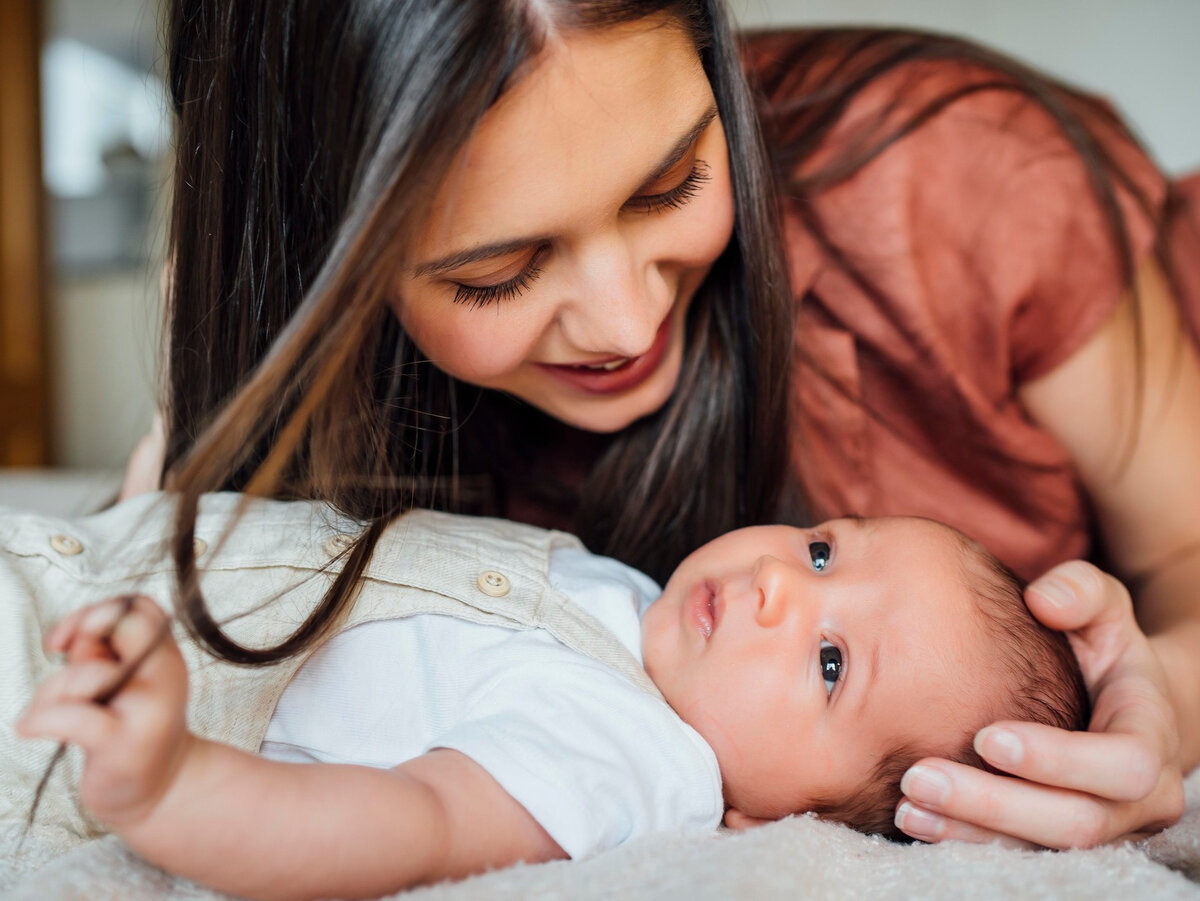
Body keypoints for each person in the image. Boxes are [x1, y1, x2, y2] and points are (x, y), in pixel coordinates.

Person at [125, 0, 1200, 847]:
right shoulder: (307, 358)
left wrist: (1162, 703)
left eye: (674, 180)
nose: (628, 321)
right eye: (498, 274)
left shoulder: (963, 178)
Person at [11, 494, 1086, 899]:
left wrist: (168, 781)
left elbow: (408, 825)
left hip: (50, 701)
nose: (774, 584)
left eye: (832, 663)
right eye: (818, 552)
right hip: (82, 558)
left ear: (779, 818)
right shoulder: (634, 603)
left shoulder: (631, 756)